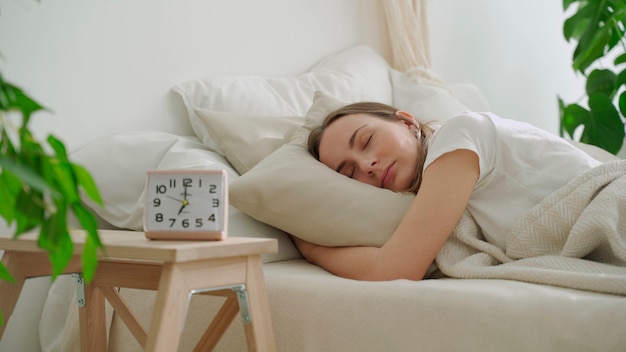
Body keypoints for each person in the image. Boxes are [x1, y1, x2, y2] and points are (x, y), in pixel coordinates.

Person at [291, 102, 601, 281]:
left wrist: (313, 250)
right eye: (350, 172)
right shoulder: (437, 184)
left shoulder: (457, 136)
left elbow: (396, 268)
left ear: (407, 122)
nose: (367, 165)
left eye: (367, 140)